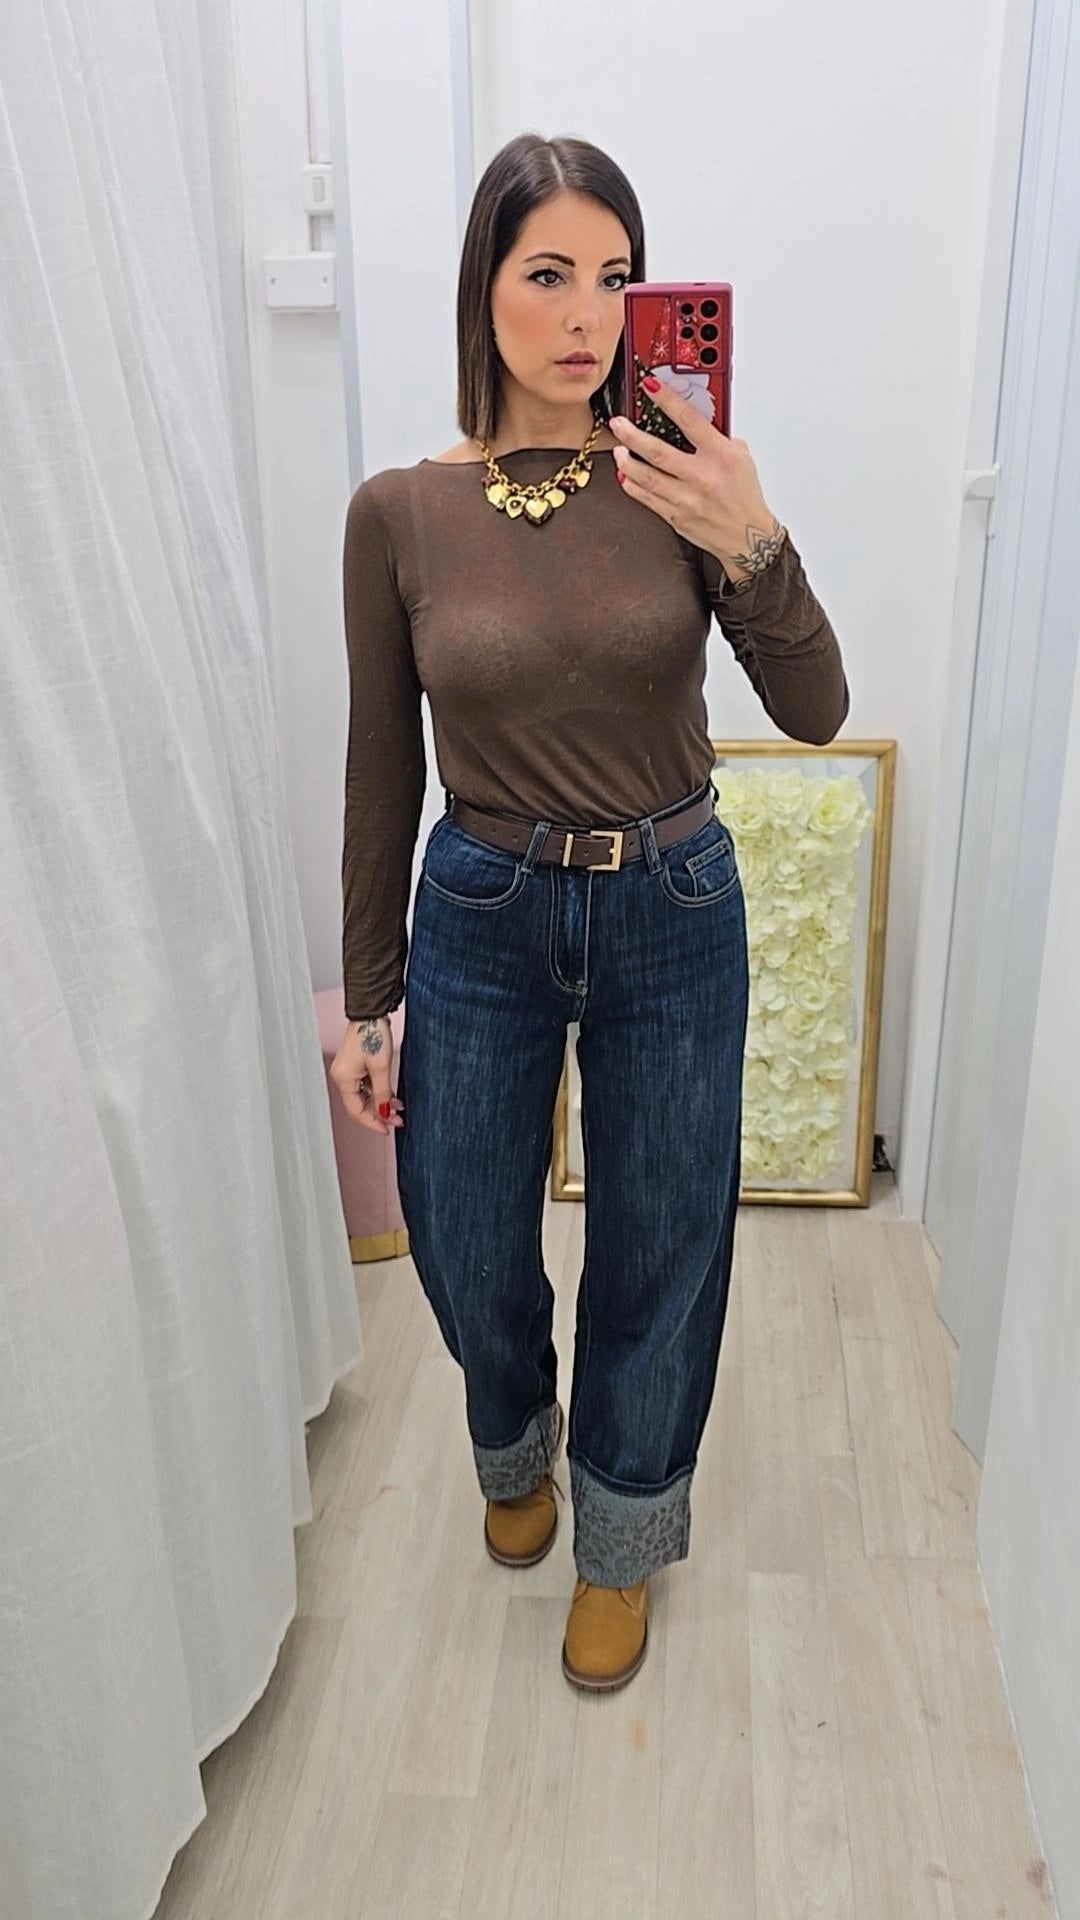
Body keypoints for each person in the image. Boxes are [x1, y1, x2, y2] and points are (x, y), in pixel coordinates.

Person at [330, 132, 849, 1695]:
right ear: (481, 287)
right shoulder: (398, 513)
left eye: (614, 278)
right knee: (461, 1227)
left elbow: (817, 710)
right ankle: (514, 1438)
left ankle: (620, 1536)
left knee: (661, 1242)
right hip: (481, 903)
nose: (586, 316)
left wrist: (748, 533)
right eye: (547, 273)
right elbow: (378, 767)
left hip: (672, 902)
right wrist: (369, 997)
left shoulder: (676, 481)